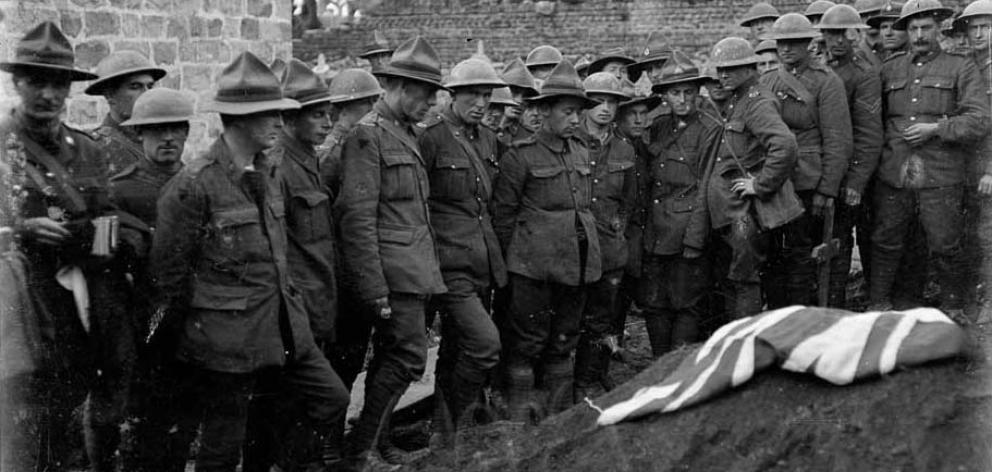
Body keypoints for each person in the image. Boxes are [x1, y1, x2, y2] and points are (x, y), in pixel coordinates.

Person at [150, 51, 350, 472]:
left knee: (332, 397)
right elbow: (169, 280)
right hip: (225, 339)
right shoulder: (194, 186)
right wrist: (190, 347)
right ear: (238, 119)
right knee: (223, 444)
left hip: (282, 325)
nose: (280, 122)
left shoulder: (268, 172)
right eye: (269, 114)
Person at [0, 21, 138, 472]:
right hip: (18, 309)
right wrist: (21, 230)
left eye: (57, 83)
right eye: (36, 81)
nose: (47, 94)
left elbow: (109, 227)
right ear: (17, 82)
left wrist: (83, 240)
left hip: (77, 309)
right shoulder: (2, 147)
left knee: (67, 432)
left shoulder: (88, 151)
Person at [335, 36, 449, 469]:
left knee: (395, 358)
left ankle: (375, 444)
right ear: (399, 87)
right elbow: (357, 218)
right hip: (390, 275)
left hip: (413, 269)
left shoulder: (406, 133)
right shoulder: (367, 136)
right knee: (406, 357)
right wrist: (374, 287)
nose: (431, 103)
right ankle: (361, 450)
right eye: (425, 94)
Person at [240, 58, 352, 471]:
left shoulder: (310, 161)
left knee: (299, 407)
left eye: (329, 113)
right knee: (290, 404)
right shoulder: (280, 168)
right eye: (317, 114)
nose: (327, 122)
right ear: (290, 119)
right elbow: (279, 250)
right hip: (296, 309)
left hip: (317, 303)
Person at [491, 60, 601, 422]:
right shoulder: (519, 156)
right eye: (568, 112)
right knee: (527, 342)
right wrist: (512, 270)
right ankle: (518, 417)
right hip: (532, 270)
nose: (574, 120)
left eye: (577, 113)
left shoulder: (582, 152)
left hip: (576, 265)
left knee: (564, 340)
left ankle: (559, 417)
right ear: (545, 111)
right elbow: (503, 218)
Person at [869, 0, 990, 322]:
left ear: (939, 29)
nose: (919, 35)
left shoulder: (960, 67)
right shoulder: (890, 68)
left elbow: (979, 118)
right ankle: (879, 304)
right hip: (894, 170)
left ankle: (953, 307)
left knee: (944, 243)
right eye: (913, 28)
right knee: (886, 240)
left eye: (926, 28)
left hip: (941, 172)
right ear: (906, 31)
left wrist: (936, 128)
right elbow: (873, 120)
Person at [417, 57, 507, 444]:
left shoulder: (487, 138)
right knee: (486, 345)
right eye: (473, 94)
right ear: (452, 95)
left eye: (486, 95)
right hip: (448, 262)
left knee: (456, 349)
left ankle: (444, 430)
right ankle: (454, 418)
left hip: (482, 261)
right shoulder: (431, 137)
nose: (482, 103)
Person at [108, 86, 195, 472]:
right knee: (149, 420)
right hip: (148, 319)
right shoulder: (121, 191)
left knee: (188, 416)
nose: (168, 138)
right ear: (139, 134)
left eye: (176, 129)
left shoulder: (199, 182)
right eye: (157, 130)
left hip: (197, 314)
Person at [760, 13, 853, 308]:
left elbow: (838, 140)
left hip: (808, 181)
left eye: (793, 43)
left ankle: (805, 316)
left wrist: (827, 190)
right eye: (781, 44)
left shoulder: (827, 82)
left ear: (808, 44)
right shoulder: (767, 80)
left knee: (804, 256)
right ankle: (778, 314)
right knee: (774, 255)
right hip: (776, 180)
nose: (786, 50)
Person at [702, 37, 798, 319]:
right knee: (734, 278)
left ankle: (744, 343)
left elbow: (785, 145)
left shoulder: (756, 102)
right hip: (730, 211)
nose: (723, 75)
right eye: (720, 70)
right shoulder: (737, 100)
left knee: (745, 279)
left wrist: (760, 184)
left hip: (747, 212)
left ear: (749, 68)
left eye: (730, 69)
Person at [638, 51, 716, 358]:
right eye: (675, 93)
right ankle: (659, 363)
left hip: (686, 231)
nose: (683, 99)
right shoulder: (658, 127)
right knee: (654, 300)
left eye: (688, 92)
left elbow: (705, 187)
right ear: (665, 96)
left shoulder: (709, 129)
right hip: (655, 231)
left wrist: (695, 238)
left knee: (687, 302)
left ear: (698, 94)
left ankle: (676, 366)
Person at [572, 72, 635, 401]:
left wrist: (616, 231)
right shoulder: (570, 141)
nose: (605, 108)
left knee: (600, 319)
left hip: (609, 248)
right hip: (574, 246)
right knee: (567, 319)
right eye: (598, 100)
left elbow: (628, 202)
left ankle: (589, 380)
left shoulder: (625, 147)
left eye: (612, 102)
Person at [817, 4, 884, 309]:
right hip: (821, 168)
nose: (839, 40)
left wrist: (855, 182)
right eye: (832, 33)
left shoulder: (863, 74)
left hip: (850, 174)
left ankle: (837, 305)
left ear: (856, 34)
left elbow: (869, 135)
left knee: (841, 241)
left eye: (846, 33)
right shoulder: (818, 66)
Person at [958, 0, 992, 320]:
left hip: (987, 166)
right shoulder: (967, 64)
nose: (979, 33)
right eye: (974, 28)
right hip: (965, 163)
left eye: (986, 27)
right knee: (969, 235)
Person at [85, 50, 166, 175]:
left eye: (150, 86)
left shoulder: (161, 141)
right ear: (110, 95)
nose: (146, 94)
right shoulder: (95, 148)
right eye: (135, 86)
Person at [319, 68, 383, 199]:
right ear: (343, 108)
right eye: (365, 102)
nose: (372, 109)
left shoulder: (371, 136)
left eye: (374, 101)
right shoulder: (330, 145)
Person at [498, 58, 540, 145]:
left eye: (526, 96)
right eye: (514, 93)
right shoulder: (481, 131)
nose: (520, 101)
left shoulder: (531, 137)